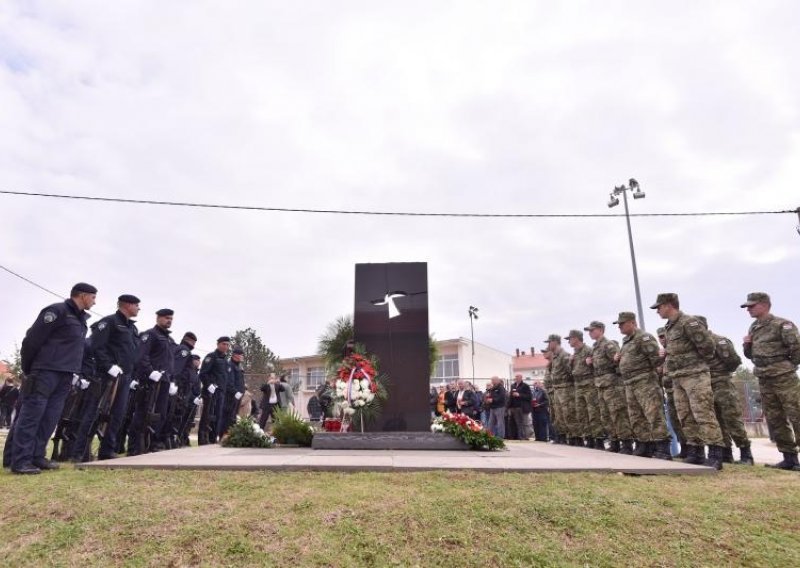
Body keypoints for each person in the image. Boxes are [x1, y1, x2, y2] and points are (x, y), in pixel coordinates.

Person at [10, 282, 96, 474]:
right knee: (32, 416)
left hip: (65, 375)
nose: (94, 302)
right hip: (45, 371)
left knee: (50, 418)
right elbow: (32, 339)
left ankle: (37, 456)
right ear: (82, 296)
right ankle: (20, 461)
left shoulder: (80, 319)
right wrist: (29, 368)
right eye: (93, 297)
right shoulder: (57, 311)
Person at [652, 293, 723, 469]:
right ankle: (696, 452)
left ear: (669, 305)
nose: (657, 311)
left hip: (694, 375)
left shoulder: (689, 322)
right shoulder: (670, 326)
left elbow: (708, 347)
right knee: (685, 415)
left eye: (659, 307)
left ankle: (715, 454)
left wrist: (694, 363)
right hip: (678, 377)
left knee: (703, 413)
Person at [71, 294, 140, 462]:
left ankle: (107, 450)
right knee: (93, 413)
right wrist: (108, 366)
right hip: (105, 376)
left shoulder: (132, 328)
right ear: (127, 305)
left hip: (124, 377)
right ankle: (79, 452)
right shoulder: (108, 322)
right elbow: (96, 346)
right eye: (137, 305)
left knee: (117, 415)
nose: (139, 308)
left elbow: (133, 353)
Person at [741, 292, 800, 471]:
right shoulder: (754, 327)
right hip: (764, 378)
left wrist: (787, 367)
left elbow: (797, 349)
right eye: (747, 307)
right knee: (775, 418)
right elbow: (751, 356)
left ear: (765, 305)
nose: (749, 309)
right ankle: (789, 457)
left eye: (752, 306)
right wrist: (747, 345)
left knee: (796, 414)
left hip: (784, 377)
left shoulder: (783, 324)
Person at [695, 315, 754, 465]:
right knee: (715, 421)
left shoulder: (718, 341)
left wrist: (720, 374)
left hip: (722, 384)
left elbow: (734, 362)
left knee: (732, 419)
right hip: (704, 385)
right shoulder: (694, 345)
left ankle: (746, 454)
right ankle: (725, 453)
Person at [614, 311, 672, 460]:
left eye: (622, 324)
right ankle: (644, 445)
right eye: (618, 324)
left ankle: (662, 448)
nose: (619, 327)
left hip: (645, 382)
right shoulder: (626, 341)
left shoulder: (644, 338)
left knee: (653, 414)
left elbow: (656, 359)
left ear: (632, 323)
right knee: (636, 416)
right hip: (630, 383)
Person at [127, 309, 177, 455]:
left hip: (164, 381)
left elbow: (169, 363)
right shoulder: (150, 335)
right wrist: (150, 372)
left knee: (160, 414)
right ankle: (135, 447)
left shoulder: (169, 340)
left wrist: (171, 380)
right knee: (142, 413)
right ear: (158, 318)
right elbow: (141, 356)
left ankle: (153, 443)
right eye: (166, 318)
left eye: (171, 318)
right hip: (150, 381)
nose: (169, 320)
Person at [585, 320, 634, 454]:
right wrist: (590, 363)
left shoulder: (608, 345)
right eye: (589, 331)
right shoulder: (595, 347)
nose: (590, 333)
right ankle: (614, 442)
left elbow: (618, 363)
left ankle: (626, 443)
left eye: (592, 330)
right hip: (601, 385)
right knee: (606, 416)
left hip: (612, 386)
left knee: (618, 414)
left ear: (601, 330)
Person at [568, 329, 604, 449]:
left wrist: (591, 363)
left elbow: (597, 366)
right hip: (578, 386)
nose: (569, 342)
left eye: (570, 339)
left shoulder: (588, 350)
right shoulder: (574, 354)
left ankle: (598, 439)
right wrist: (571, 363)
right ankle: (588, 438)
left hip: (589, 385)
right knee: (582, 414)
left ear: (577, 338)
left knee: (593, 413)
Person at [656, 327, 686, 458]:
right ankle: (684, 449)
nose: (662, 339)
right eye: (660, 337)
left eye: (664, 336)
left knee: (686, 421)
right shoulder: (662, 356)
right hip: (669, 394)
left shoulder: (677, 351)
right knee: (674, 423)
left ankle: (694, 450)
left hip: (681, 391)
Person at [198, 337, 232, 444]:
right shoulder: (211, 357)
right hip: (211, 392)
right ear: (218, 344)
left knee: (217, 416)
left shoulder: (225, 360)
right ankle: (203, 438)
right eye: (223, 344)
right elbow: (203, 373)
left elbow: (225, 377)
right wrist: (209, 385)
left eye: (227, 344)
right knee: (207, 416)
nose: (225, 346)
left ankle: (213, 438)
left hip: (221, 392)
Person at [545, 334, 576, 445]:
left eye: (549, 342)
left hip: (566, 389)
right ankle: (562, 436)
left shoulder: (564, 355)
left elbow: (571, 372)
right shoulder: (555, 357)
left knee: (568, 414)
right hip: (557, 389)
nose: (548, 345)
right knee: (559, 415)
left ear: (555, 342)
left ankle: (574, 437)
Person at [507, 374, 532, 440]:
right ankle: (517, 436)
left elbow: (529, 396)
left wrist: (519, 395)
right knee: (515, 423)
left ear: (521, 378)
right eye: (515, 377)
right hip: (514, 407)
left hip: (522, 407)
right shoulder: (513, 385)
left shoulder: (525, 386)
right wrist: (509, 406)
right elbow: (510, 397)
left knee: (523, 423)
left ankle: (525, 436)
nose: (516, 378)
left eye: (517, 377)